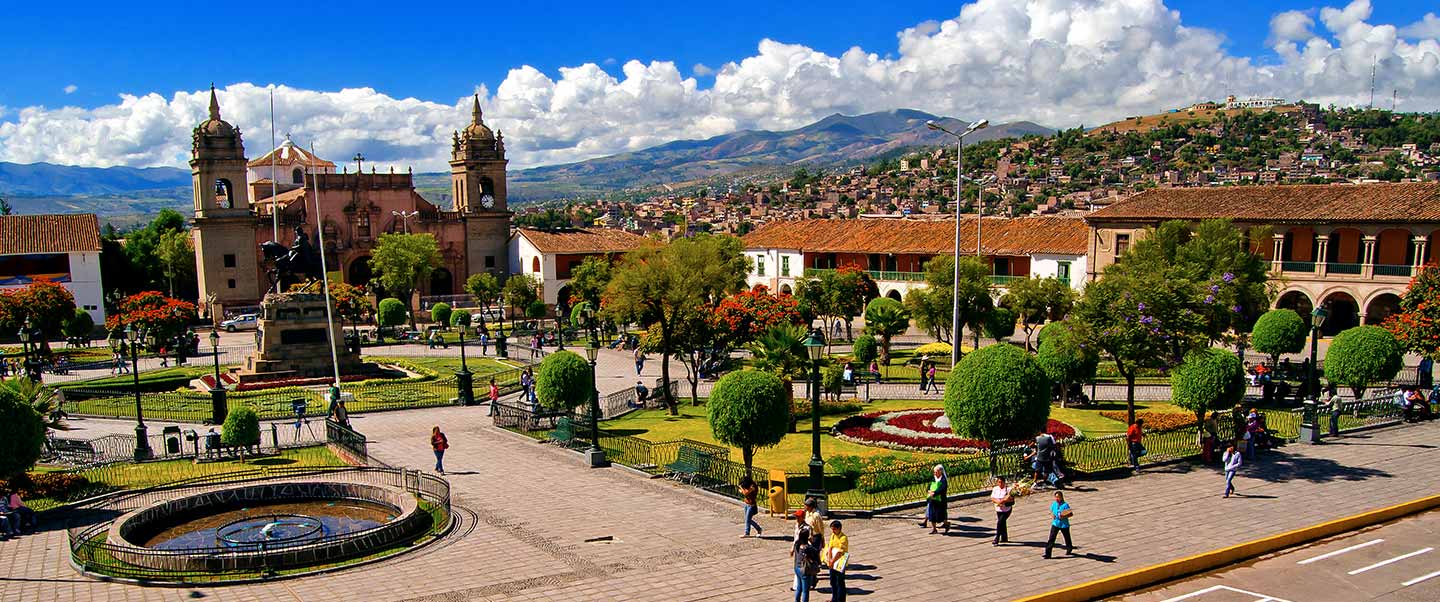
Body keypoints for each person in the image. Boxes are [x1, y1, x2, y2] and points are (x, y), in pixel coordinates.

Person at [790, 510, 819, 601]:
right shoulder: (806, 547)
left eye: (798, 517)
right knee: (805, 590)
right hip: (804, 568)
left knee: (799, 587)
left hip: (798, 566)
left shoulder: (807, 528)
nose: (796, 519)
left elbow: (798, 540)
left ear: (802, 517)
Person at [823, 520, 849, 602]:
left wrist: (832, 561)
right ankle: (834, 598)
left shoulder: (843, 538)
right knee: (833, 581)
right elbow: (830, 547)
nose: (833, 531)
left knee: (840, 582)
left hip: (839, 562)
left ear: (839, 528)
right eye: (832, 529)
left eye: (834, 529)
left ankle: (840, 599)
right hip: (832, 562)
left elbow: (840, 553)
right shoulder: (833, 535)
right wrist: (830, 559)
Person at [1043, 491, 1074, 559]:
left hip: (1064, 525)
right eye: (1056, 497)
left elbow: (1071, 514)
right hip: (1055, 524)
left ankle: (1069, 548)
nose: (1057, 498)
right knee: (1051, 539)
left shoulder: (1065, 505)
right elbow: (1051, 511)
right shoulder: (1054, 504)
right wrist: (1052, 515)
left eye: (1058, 497)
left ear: (1061, 497)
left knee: (1067, 538)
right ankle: (1048, 554)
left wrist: (1064, 516)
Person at [921, 464, 949, 534]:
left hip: (940, 501)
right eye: (934, 472)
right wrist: (929, 491)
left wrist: (935, 493)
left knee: (940, 516)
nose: (934, 473)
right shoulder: (934, 478)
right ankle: (934, 529)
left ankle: (946, 524)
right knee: (932, 515)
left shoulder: (943, 480)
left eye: (936, 472)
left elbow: (942, 489)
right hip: (932, 500)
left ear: (940, 472)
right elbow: (929, 486)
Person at [991, 476, 1014, 546]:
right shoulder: (995, 489)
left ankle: (997, 538)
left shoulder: (1009, 489)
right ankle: (1004, 537)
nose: (1000, 484)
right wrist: (998, 502)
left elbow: (1011, 499)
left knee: (999, 523)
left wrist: (1003, 501)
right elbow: (992, 497)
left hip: (1006, 510)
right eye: (999, 482)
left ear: (1004, 482)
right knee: (1002, 523)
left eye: (1002, 482)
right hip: (998, 509)